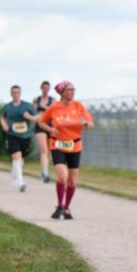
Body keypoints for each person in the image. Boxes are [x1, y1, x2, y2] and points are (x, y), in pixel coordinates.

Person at [37, 80, 94, 219]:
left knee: (72, 180)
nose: (73, 92)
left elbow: (91, 123)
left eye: (74, 89)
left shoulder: (78, 105)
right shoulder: (54, 107)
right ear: (62, 92)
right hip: (58, 145)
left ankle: (66, 208)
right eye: (69, 89)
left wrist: (86, 123)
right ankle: (60, 206)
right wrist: (51, 129)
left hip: (75, 145)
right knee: (62, 176)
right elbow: (41, 122)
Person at [0, 85, 35, 192]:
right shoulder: (7, 107)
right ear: (11, 94)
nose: (15, 94)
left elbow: (37, 117)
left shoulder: (27, 106)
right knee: (17, 156)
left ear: (20, 93)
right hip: (12, 135)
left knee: (20, 159)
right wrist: (4, 126)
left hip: (25, 136)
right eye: (13, 92)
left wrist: (29, 117)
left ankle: (14, 178)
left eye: (17, 92)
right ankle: (21, 182)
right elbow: (2, 117)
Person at [33, 80, 56, 183]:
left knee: (49, 151)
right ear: (41, 88)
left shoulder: (53, 100)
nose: (46, 90)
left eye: (47, 88)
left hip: (50, 126)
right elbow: (34, 111)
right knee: (44, 150)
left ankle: (44, 171)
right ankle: (45, 174)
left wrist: (44, 107)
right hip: (40, 125)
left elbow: (54, 111)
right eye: (44, 88)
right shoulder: (36, 99)